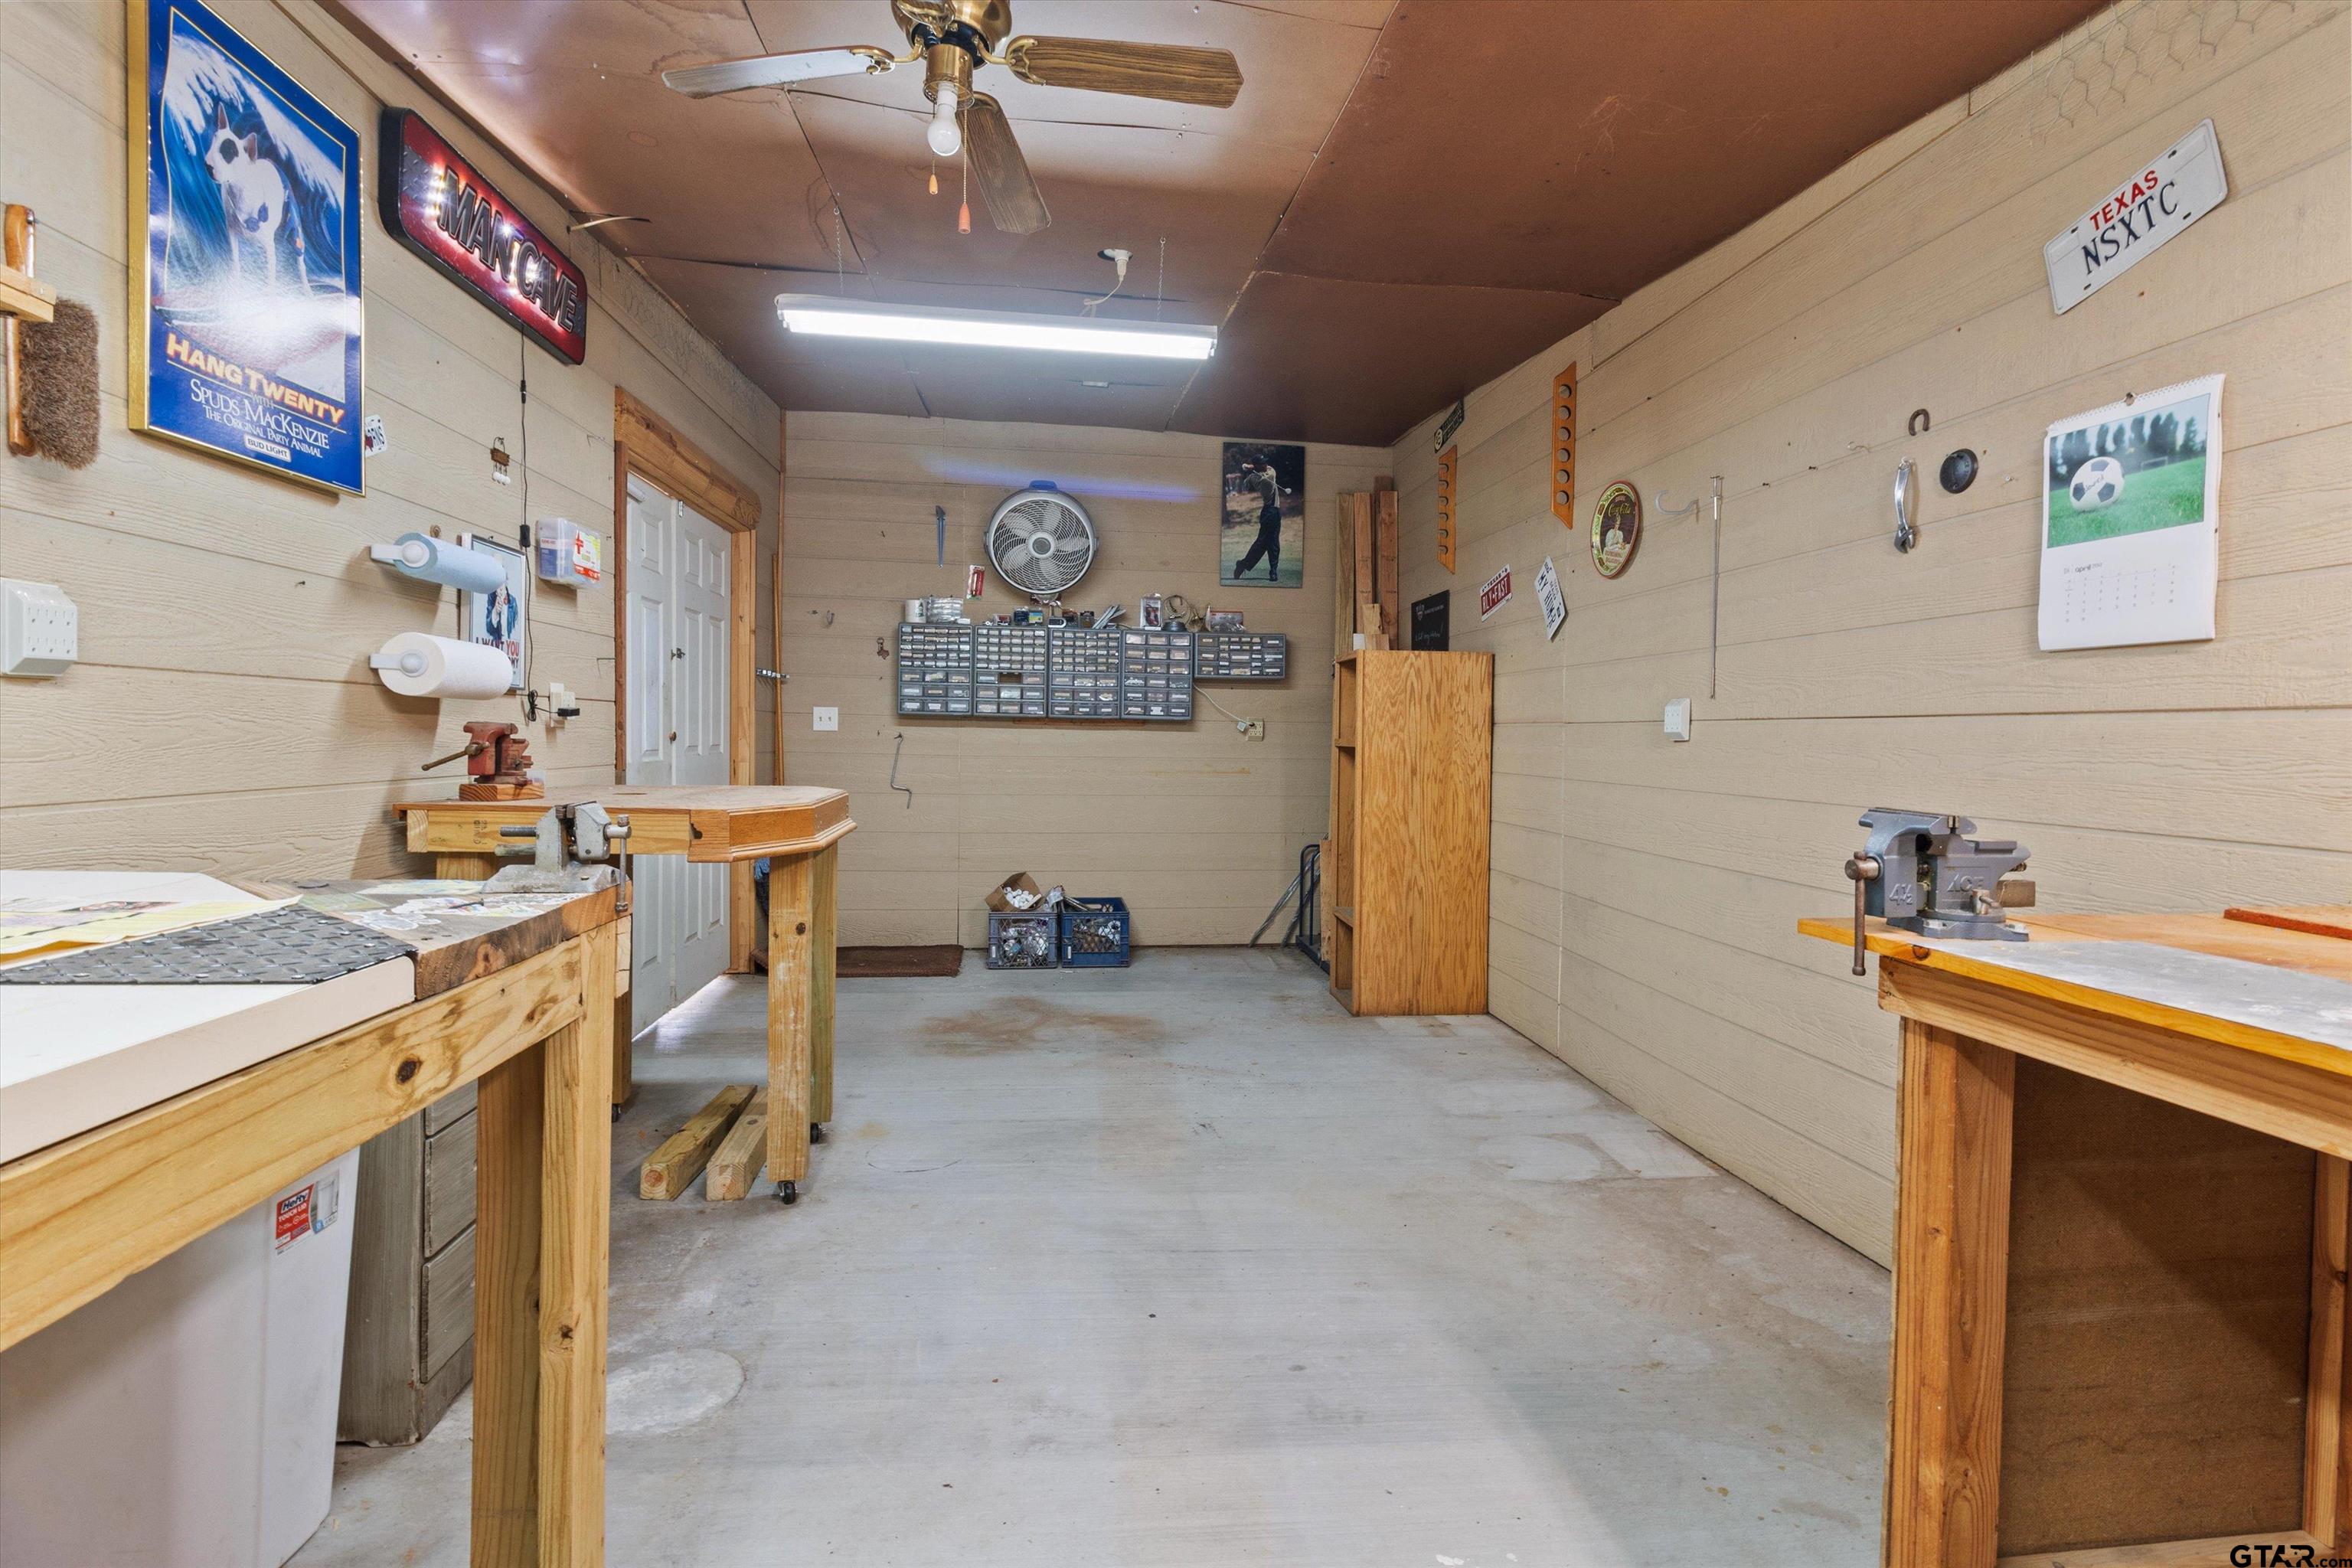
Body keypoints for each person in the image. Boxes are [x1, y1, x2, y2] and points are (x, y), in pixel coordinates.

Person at [1231, 459, 1287, 583]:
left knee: (1268, 543)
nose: (1266, 465)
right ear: (1258, 466)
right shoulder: (1269, 476)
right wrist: (1251, 467)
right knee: (1268, 544)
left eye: (1266, 463)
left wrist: (1248, 468)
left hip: (1271, 512)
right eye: (1263, 464)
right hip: (1271, 512)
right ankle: (1247, 565)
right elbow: (1269, 469)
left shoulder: (1253, 478)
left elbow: (1248, 481)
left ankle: (1250, 566)